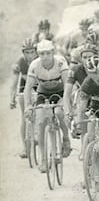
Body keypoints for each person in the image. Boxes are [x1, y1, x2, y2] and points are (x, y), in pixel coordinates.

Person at [23, 40, 71, 173]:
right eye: (42, 54)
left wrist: (66, 103)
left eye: (48, 53)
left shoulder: (60, 62)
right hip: (43, 92)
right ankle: (44, 159)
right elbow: (27, 88)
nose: (45, 57)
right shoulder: (34, 65)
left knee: (60, 112)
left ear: (53, 53)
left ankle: (66, 138)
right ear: (38, 54)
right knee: (41, 121)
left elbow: (68, 84)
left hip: (60, 92)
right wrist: (27, 106)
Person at [77, 55, 99, 160]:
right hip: (96, 108)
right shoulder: (87, 84)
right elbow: (82, 107)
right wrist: (79, 123)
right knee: (91, 132)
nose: (98, 76)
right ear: (88, 73)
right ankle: (91, 158)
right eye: (93, 73)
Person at [10, 38, 38, 158]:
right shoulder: (19, 63)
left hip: (39, 85)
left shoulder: (40, 59)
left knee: (39, 110)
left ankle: (38, 133)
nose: (30, 55)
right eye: (27, 52)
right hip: (24, 85)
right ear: (23, 53)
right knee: (23, 114)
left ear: (36, 51)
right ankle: (25, 148)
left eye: (32, 52)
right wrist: (12, 98)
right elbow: (14, 83)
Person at [63, 44, 98, 141]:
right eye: (84, 57)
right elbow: (66, 94)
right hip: (84, 99)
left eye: (90, 57)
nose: (87, 60)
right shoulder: (75, 70)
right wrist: (67, 113)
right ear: (81, 58)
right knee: (85, 132)